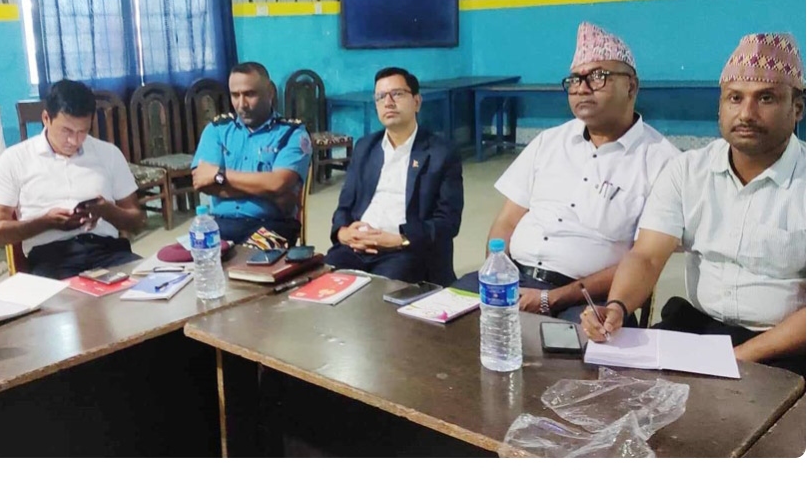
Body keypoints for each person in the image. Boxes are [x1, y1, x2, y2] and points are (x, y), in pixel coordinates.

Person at [582, 33, 806, 376]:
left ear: (797, 108)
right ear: (720, 106)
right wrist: (617, 307)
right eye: (735, 98)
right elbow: (647, 256)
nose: (746, 113)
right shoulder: (687, 171)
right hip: (698, 330)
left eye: (766, 98)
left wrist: (735, 358)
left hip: (784, 347)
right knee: (609, 387)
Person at [453, 22, 680, 323]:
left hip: (589, 300)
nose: (582, 88)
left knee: (579, 349)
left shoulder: (664, 162)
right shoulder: (549, 142)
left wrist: (552, 299)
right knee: (436, 321)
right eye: (574, 80)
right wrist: (499, 275)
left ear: (631, 86)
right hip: (512, 282)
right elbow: (506, 220)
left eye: (598, 77)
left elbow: (644, 259)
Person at [0, 79, 145, 280]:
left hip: (108, 252)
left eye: (83, 131)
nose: (74, 141)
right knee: (62, 298)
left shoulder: (108, 154)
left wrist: (106, 211)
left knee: (153, 285)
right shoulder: (15, 159)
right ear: (46, 118)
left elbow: (138, 222)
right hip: (52, 260)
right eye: (66, 131)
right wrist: (45, 223)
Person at [324, 67, 463, 286]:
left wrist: (400, 239)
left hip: (406, 249)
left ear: (416, 102)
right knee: (324, 280)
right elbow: (345, 205)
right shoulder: (365, 147)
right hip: (357, 246)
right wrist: (343, 233)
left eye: (397, 94)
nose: (388, 102)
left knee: (380, 291)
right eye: (380, 97)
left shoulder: (441, 153)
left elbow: (448, 222)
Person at [191, 62, 312, 244]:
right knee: (185, 258)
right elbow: (201, 182)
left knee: (248, 260)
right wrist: (266, 189)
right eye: (235, 95)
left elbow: (277, 183)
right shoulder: (217, 130)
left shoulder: (292, 134)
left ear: (270, 92)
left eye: (250, 94)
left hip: (272, 226)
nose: (242, 104)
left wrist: (218, 175)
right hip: (220, 224)